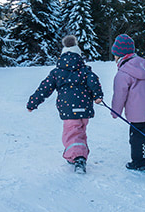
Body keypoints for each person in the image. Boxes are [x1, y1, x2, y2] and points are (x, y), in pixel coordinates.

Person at [26, 35, 103, 174]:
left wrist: (33, 102)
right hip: (84, 109)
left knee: (72, 134)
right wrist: (98, 96)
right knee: (80, 132)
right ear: (78, 55)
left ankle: (78, 158)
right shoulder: (85, 70)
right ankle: (77, 154)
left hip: (68, 109)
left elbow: (45, 88)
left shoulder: (57, 72)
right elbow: (94, 82)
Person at [111, 34, 145, 171]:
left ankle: (138, 162)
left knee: (136, 137)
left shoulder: (123, 73)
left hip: (136, 113)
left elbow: (119, 94)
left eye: (115, 55)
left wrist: (115, 111)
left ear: (120, 56)